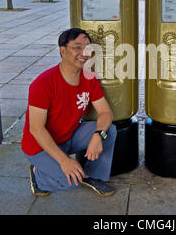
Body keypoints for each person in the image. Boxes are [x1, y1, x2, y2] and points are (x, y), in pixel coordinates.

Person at [21, 28, 117, 197]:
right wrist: (64, 161)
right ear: (63, 50)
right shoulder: (43, 83)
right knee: (70, 181)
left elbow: (105, 112)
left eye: (87, 48)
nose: (84, 53)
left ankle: (93, 176)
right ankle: (38, 173)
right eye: (77, 47)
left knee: (109, 130)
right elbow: (36, 128)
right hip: (40, 147)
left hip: (68, 137)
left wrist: (97, 135)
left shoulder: (88, 77)